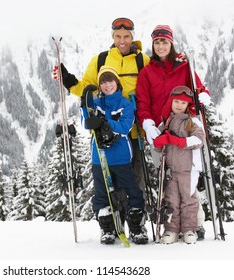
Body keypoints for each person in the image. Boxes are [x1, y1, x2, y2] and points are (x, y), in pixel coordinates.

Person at [53, 17, 151, 241]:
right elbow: (86, 90)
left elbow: (155, 85)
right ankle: (112, 226)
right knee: (108, 182)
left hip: (133, 133)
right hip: (104, 135)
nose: (122, 40)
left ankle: (137, 226)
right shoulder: (101, 60)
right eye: (118, 36)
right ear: (112, 36)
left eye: (126, 36)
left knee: (134, 182)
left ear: (132, 36)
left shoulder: (142, 60)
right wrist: (67, 80)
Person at [135, 24, 210, 239]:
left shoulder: (184, 67)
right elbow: (142, 102)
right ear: (153, 44)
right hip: (160, 133)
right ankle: (172, 225)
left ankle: (195, 222)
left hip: (184, 132)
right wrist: (147, 123)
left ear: (171, 43)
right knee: (167, 180)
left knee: (188, 177)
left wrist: (203, 95)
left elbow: (198, 89)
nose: (160, 45)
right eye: (157, 42)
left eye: (164, 41)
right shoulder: (147, 72)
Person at [80, 66, 147, 245]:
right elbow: (86, 123)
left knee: (131, 192)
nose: (107, 85)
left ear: (117, 83)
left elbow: (125, 127)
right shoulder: (97, 104)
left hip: (121, 158)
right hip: (99, 158)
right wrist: (84, 104)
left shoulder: (125, 104)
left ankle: (136, 227)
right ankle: (107, 228)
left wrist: (103, 122)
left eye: (110, 81)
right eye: (103, 81)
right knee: (102, 195)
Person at [153, 86, 205, 244]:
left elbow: (199, 140)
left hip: (189, 169)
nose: (179, 105)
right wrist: (158, 142)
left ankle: (189, 229)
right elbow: (158, 144)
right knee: (171, 200)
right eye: (176, 101)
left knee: (188, 199)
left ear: (187, 105)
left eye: (183, 102)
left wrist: (179, 141)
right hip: (171, 170)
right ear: (171, 102)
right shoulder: (166, 122)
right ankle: (171, 230)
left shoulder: (192, 121)